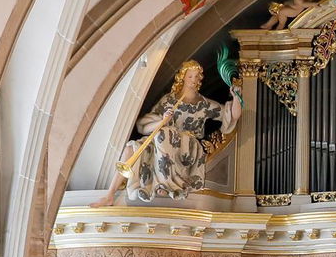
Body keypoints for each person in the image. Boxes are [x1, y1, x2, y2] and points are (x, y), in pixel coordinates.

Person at [92, 60, 241, 206]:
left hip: (187, 146)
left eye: (197, 76)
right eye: (190, 76)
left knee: (165, 133)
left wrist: (236, 97)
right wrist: (162, 120)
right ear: (182, 77)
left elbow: (232, 115)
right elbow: (145, 125)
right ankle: (110, 195)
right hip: (162, 139)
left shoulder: (204, 104)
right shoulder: (168, 100)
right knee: (131, 148)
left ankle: (165, 184)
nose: (194, 80)